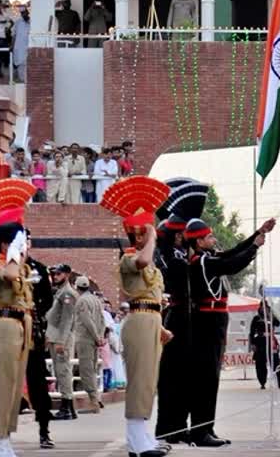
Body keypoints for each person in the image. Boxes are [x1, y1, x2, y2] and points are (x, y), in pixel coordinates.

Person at [185, 216, 275, 447]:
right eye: (209, 237)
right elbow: (232, 265)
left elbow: (233, 252)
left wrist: (257, 234)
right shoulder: (201, 262)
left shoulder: (208, 257)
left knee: (212, 376)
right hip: (206, 320)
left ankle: (206, 427)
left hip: (216, 319)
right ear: (199, 241)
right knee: (206, 377)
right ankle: (199, 431)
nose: (214, 239)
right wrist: (255, 246)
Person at [100, 176, 173, 457]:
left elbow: (153, 299)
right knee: (140, 380)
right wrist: (151, 237)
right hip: (140, 320)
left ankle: (144, 437)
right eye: (144, 231)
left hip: (150, 320)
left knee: (148, 381)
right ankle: (136, 441)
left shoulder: (149, 263)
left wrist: (161, 327)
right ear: (137, 235)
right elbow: (142, 261)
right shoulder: (130, 257)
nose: (149, 235)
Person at [155, 179, 209, 444]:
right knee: (172, 377)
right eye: (180, 235)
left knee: (183, 376)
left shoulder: (176, 253)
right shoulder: (167, 255)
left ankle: (178, 425)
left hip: (185, 316)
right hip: (175, 315)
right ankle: (168, 427)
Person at [0, 184, 35, 457]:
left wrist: (20, 255)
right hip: (3, 325)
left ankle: (4, 437)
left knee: (13, 386)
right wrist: (13, 253)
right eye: (21, 240)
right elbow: (9, 276)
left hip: (19, 327)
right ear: (6, 244)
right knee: (1, 383)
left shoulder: (20, 265)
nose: (26, 246)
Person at [24, 229, 56, 448]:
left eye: (25, 241)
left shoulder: (39, 269)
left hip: (32, 329)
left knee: (37, 381)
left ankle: (44, 430)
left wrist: (36, 310)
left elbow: (48, 299)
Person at [44, 263, 78, 421]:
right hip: (55, 336)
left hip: (61, 338)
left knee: (63, 372)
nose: (55, 277)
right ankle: (68, 408)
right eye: (54, 274)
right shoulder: (61, 292)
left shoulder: (67, 294)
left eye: (58, 274)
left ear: (67, 275)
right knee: (60, 372)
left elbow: (67, 320)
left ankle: (67, 408)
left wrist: (61, 341)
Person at [74, 276, 105, 414]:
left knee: (86, 370)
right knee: (92, 370)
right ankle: (96, 399)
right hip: (95, 338)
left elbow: (87, 321)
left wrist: (96, 336)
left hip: (86, 338)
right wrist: (101, 336)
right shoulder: (96, 300)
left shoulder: (81, 301)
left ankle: (93, 401)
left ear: (77, 287)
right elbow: (102, 319)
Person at [250, 303, 280, 391]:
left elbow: (278, 323)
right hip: (260, 342)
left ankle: (279, 383)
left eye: (266, 307)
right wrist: (252, 344)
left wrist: (271, 313)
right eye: (262, 307)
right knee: (260, 364)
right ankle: (262, 382)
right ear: (260, 308)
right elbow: (251, 332)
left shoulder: (271, 316)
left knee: (276, 363)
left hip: (271, 342)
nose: (264, 309)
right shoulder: (256, 318)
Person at [11, 7, 29, 83]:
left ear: (27, 12)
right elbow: (14, 35)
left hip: (28, 48)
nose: (23, 14)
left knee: (28, 66)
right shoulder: (17, 22)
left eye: (25, 12)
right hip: (19, 48)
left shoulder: (33, 22)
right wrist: (12, 45)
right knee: (20, 65)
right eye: (22, 13)